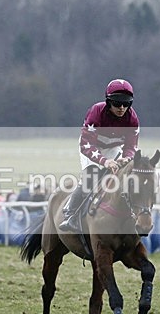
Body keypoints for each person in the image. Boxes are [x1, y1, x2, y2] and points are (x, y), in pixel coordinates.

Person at [59, 78, 140, 233]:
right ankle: (70, 215)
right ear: (108, 102)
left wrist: (127, 158)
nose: (122, 108)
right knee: (91, 177)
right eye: (117, 103)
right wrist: (104, 161)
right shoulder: (96, 112)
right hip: (91, 147)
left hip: (114, 148)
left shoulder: (133, 119)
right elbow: (86, 145)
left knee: (123, 177)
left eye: (126, 103)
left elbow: (131, 147)